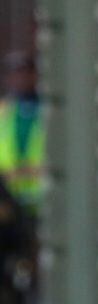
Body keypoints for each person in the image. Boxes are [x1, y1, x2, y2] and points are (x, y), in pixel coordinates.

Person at [0, 51, 44, 217]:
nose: (20, 79)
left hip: (42, 200)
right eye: (15, 73)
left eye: (26, 73)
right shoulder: (4, 112)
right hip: (8, 202)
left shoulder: (46, 111)